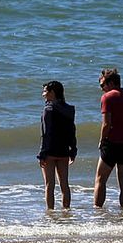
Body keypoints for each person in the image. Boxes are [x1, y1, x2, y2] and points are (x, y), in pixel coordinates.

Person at [93, 68, 123, 209]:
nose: (101, 89)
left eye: (103, 85)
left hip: (112, 143)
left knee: (100, 179)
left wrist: (102, 140)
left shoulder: (108, 97)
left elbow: (106, 123)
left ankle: (98, 211)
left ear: (111, 83)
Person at [37, 81, 77, 210]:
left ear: (52, 93)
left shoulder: (48, 110)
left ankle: (51, 214)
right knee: (64, 184)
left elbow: (46, 133)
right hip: (63, 151)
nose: (43, 94)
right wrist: (73, 149)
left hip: (50, 151)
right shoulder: (69, 109)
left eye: (45, 91)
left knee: (49, 185)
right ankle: (66, 212)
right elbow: (72, 131)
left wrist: (42, 153)